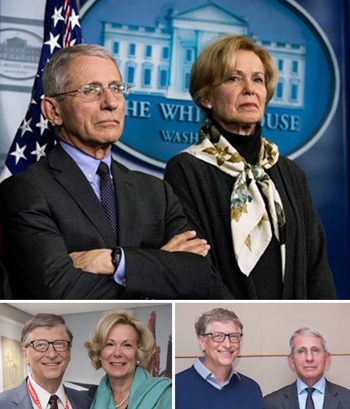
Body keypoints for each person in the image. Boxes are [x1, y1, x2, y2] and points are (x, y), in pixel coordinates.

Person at [0, 43, 231, 300]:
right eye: (91, 90)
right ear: (53, 111)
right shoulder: (26, 191)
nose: (110, 102)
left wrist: (115, 260)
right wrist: (161, 266)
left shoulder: (157, 192)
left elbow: (202, 278)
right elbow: (62, 290)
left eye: (116, 88)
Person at [164, 34, 336, 299]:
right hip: (232, 326)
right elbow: (196, 265)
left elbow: (316, 266)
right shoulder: (187, 169)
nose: (249, 88)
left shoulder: (290, 173)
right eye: (234, 78)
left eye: (257, 79)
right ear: (207, 96)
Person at [176, 308, 264, 409]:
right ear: (202, 342)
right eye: (218, 336)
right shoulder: (176, 388)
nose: (227, 344)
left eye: (234, 337)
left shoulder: (252, 389)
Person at [0, 313, 92, 409]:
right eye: (41, 345)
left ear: (69, 352)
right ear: (25, 355)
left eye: (59, 344)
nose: (52, 354)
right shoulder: (3, 404)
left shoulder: (87, 403)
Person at [85, 309, 171, 409]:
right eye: (110, 344)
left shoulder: (166, 395)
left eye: (127, 345)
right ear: (99, 351)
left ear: (138, 352)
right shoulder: (89, 399)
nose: (117, 353)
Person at [264, 327, 350, 408]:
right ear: (291, 361)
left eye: (315, 351)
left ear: (327, 359)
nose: (309, 358)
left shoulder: (347, 400)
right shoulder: (272, 403)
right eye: (301, 351)